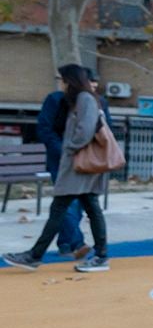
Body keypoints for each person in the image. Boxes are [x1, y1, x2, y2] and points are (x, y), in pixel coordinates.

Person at [5, 64, 111, 273]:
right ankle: (98, 254)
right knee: (86, 208)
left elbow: (85, 131)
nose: (61, 83)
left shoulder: (85, 99)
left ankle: (36, 255)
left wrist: (68, 148)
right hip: (79, 165)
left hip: (79, 165)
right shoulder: (82, 99)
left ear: (70, 80)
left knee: (64, 209)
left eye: (63, 79)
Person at [35, 74, 87, 259]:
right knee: (67, 201)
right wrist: (64, 152)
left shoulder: (91, 101)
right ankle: (77, 243)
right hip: (60, 160)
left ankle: (65, 243)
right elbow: (45, 128)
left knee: (78, 202)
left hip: (84, 159)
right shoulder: (55, 100)